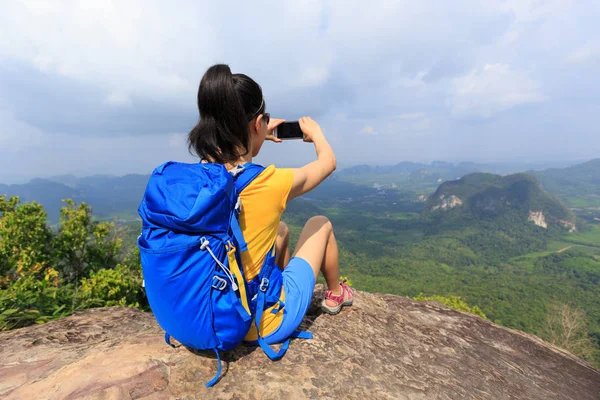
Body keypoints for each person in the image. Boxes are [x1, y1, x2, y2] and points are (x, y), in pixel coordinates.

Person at [187, 64, 353, 345]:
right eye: (261, 121)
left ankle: (271, 282)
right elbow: (328, 163)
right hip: (261, 326)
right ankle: (336, 293)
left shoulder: (200, 174)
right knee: (320, 224)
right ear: (256, 124)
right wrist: (317, 135)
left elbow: (229, 158)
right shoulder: (268, 182)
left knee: (282, 229)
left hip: (207, 317)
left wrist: (256, 133)